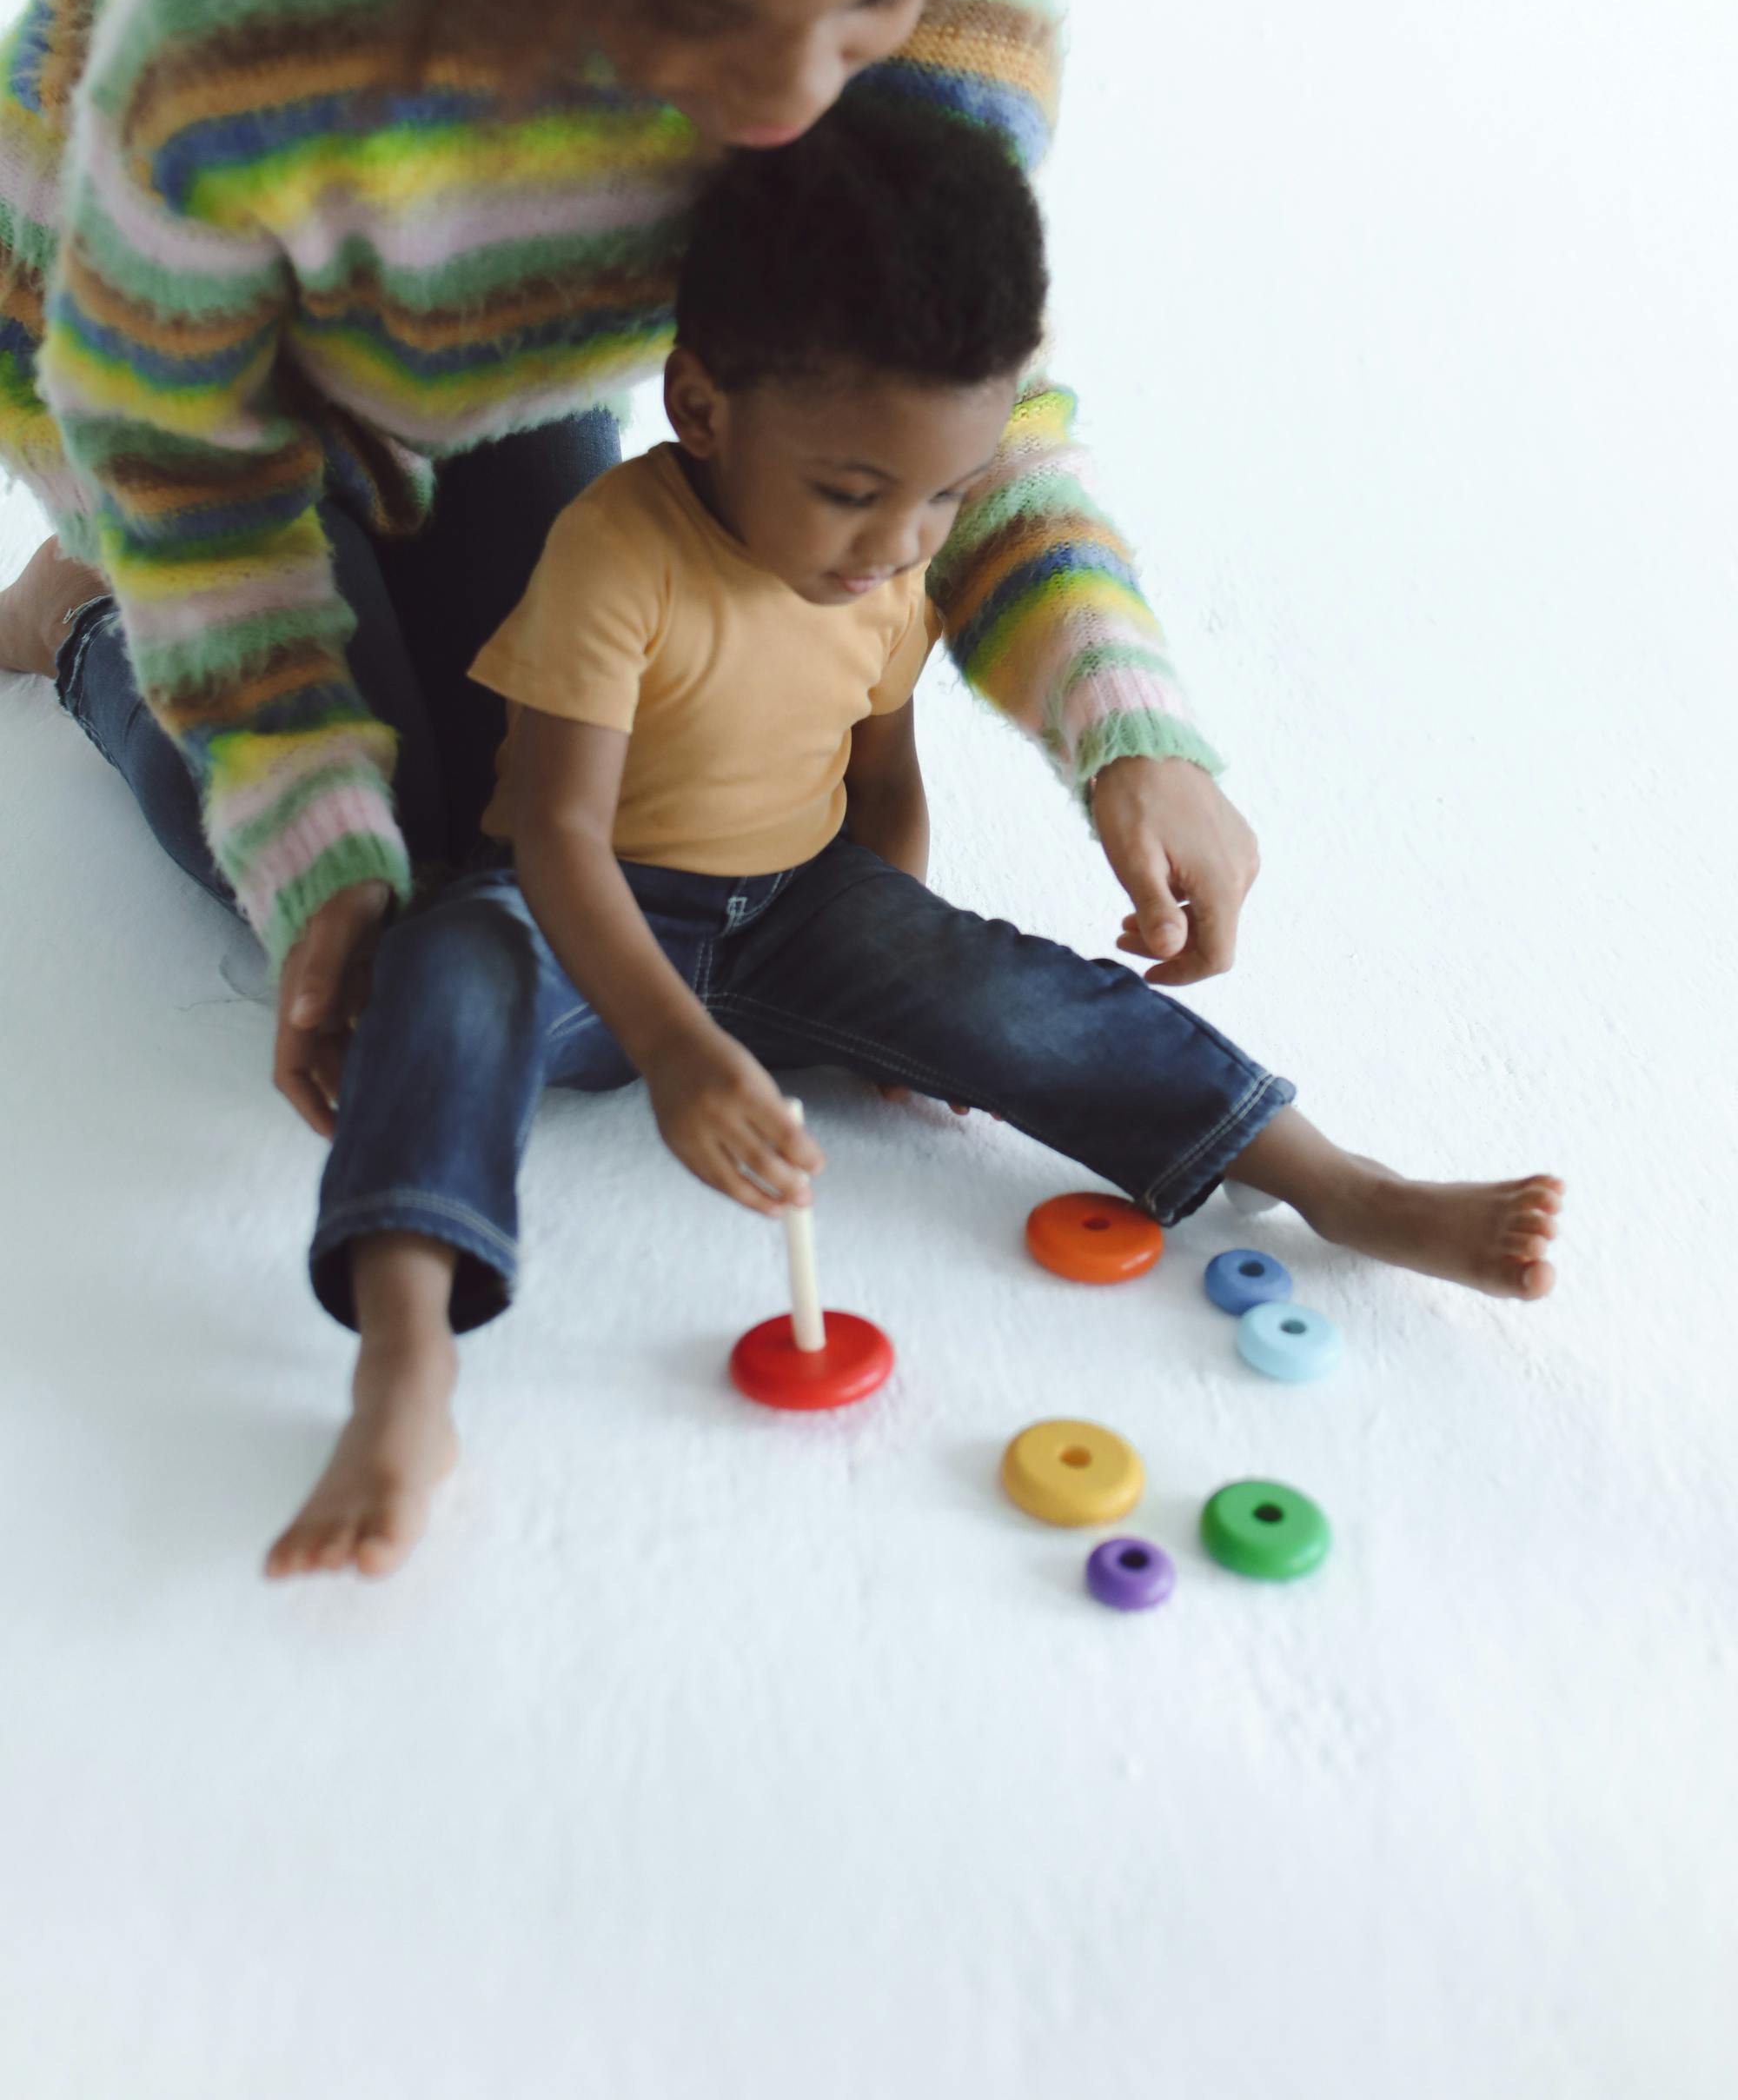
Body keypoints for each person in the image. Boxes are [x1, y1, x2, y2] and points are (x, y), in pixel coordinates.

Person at [0, 0, 1257, 1134]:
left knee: (501, 837)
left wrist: (1130, 726)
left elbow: (940, 407)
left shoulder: (960, 16)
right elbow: (177, 450)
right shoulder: (255, 23)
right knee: (358, 863)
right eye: (704, 21)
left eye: (866, 0)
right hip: (144, 363)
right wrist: (304, 847)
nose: (800, 100)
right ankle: (76, 623)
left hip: (496, 355)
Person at [264, 96, 1562, 1581]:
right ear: (701, 407)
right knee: (448, 965)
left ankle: (1341, 1183)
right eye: (850, 492)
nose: (895, 540)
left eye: (945, 494)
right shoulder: (619, 551)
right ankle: (408, 1363)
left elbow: (882, 773)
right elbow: (556, 832)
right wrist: (679, 1050)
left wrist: (895, 970)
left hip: (797, 904)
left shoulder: (895, 567)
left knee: (1009, 989)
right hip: (588, 912)